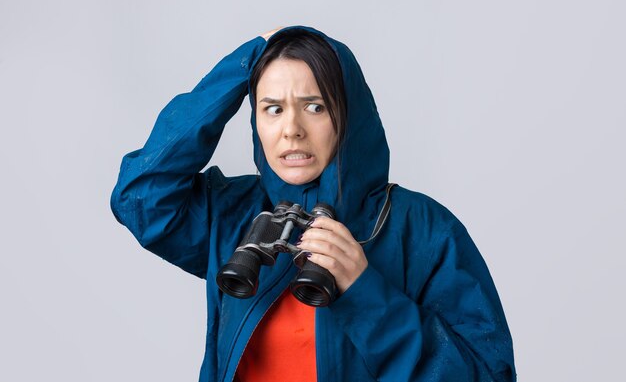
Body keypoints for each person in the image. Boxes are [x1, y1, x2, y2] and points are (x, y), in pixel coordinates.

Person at [111, 25, 516, 382]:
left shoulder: (423, 229)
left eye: (315, 106)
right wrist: (242, 65)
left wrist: (365, 291)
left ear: (348, 114)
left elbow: (488, 376)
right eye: (273, 109)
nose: (291, 130)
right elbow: (141, 197)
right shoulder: (233, 215)